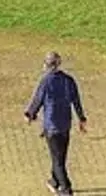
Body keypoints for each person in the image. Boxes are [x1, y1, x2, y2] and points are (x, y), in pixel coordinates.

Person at [23, 51, 88, 196]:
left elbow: (38, 99)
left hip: (51, 126)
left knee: (57, 159)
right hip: (65, 124)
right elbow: (76, 101)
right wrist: (82, 119)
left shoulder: (46, 81)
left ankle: (66, 188)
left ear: (47, 65)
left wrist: (30, 114)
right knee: (60, 156)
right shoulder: (69, 80)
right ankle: (54, 181)